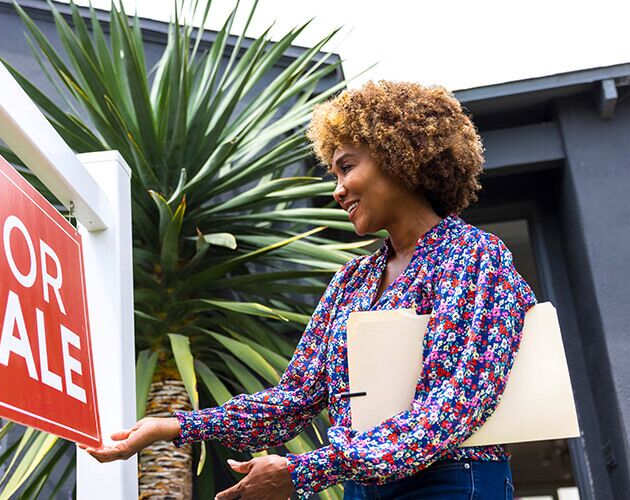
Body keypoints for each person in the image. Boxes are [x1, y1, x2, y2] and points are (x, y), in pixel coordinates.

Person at [81, 81, 537, 500]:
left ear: (403, 155)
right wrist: (175, 425)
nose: (337, 190)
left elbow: (454, 405)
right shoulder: (351, 282)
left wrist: (302, 470)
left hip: (451, 483)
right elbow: (295, 398)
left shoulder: (475, 257)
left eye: (346, 167)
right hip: (362, 485)